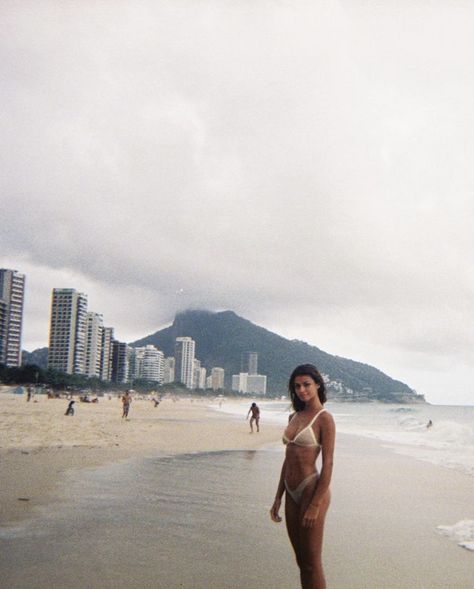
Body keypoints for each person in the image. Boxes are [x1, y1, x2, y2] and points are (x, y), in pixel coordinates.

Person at [270, 364, 336, 589]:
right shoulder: (294, 416)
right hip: (290, 490)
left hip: (311, 490)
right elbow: (288, 459)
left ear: (318, 384)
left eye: (306, 384)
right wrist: (278, 497)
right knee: (301, 561)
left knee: (312, 563)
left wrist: (315, 504)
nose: (302, 390)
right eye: (297, 386)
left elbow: (328, 464)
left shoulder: (324, 418)